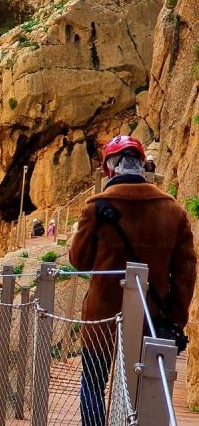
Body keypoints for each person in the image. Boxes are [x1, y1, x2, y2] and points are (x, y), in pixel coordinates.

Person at [70, 135, 196, 426]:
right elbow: (185, 273)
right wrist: (174, 321)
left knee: (92, 385)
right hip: (151, 320)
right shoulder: (173, 211)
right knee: (143, 392)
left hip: (101, 320)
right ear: (143, 165)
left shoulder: (95, 208)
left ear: (108, 170)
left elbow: (79, 261)